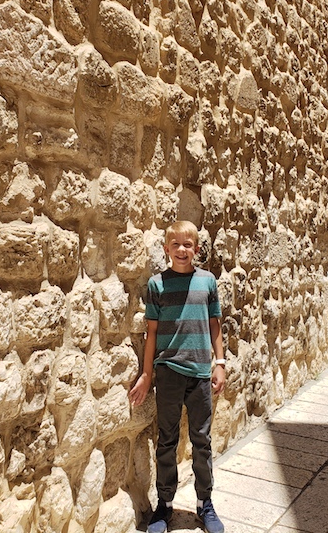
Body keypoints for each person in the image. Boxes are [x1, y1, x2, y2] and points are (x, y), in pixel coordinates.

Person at [129, 220, 226, 533]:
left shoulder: (207, 282)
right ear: (166, 249)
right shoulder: (157, 285)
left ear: (196, 249)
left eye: (188, 245)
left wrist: (220, 363)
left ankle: (204, 503)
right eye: (176, 245)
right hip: (168, 372)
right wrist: (147, 375)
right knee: (167, 441)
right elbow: (152, 332)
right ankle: (165, 504)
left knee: (202, 441)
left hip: (200, 373)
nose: (182, 250)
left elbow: (214, 324)